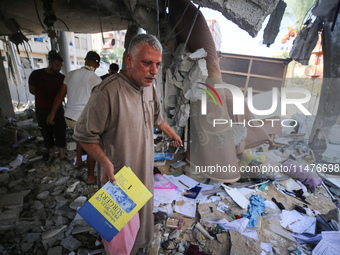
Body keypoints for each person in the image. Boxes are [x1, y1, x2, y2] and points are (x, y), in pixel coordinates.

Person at [73, 34, 182, 254]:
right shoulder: (106, 92)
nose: (153, 71)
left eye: (158, 65)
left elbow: (156, 117)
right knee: (120, 240)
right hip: (119, 178)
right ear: (130, 61)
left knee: (141, 226)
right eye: (147, 63)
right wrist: (104, 162)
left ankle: (140, 246)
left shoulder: (149, 87)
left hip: (143, 173)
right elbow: (84, 134)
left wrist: (172, 133)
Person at [47, 51, 102, 185]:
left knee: (80, 137)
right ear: (98, 65)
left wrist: (52, 114)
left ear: (85, 60)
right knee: (92, 146)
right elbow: (100, 102)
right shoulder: (95, 79)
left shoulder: (70, 75)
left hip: (69, 118)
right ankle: (90, 177)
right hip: (83, 118)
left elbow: (60, 96)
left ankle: (78, 161)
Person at [29, 50, 68, 165]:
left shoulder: (61, 78)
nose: (59, 68)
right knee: (46, 132)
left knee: (60, 131)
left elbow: (62, 95)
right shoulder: (37, 75)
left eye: (61, 66)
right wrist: (44, 98)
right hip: (42, 109)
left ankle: (62, 154)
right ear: (50, 63)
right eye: (57, 65)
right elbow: (32, 90)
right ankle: (52, 154)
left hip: (58, 109)